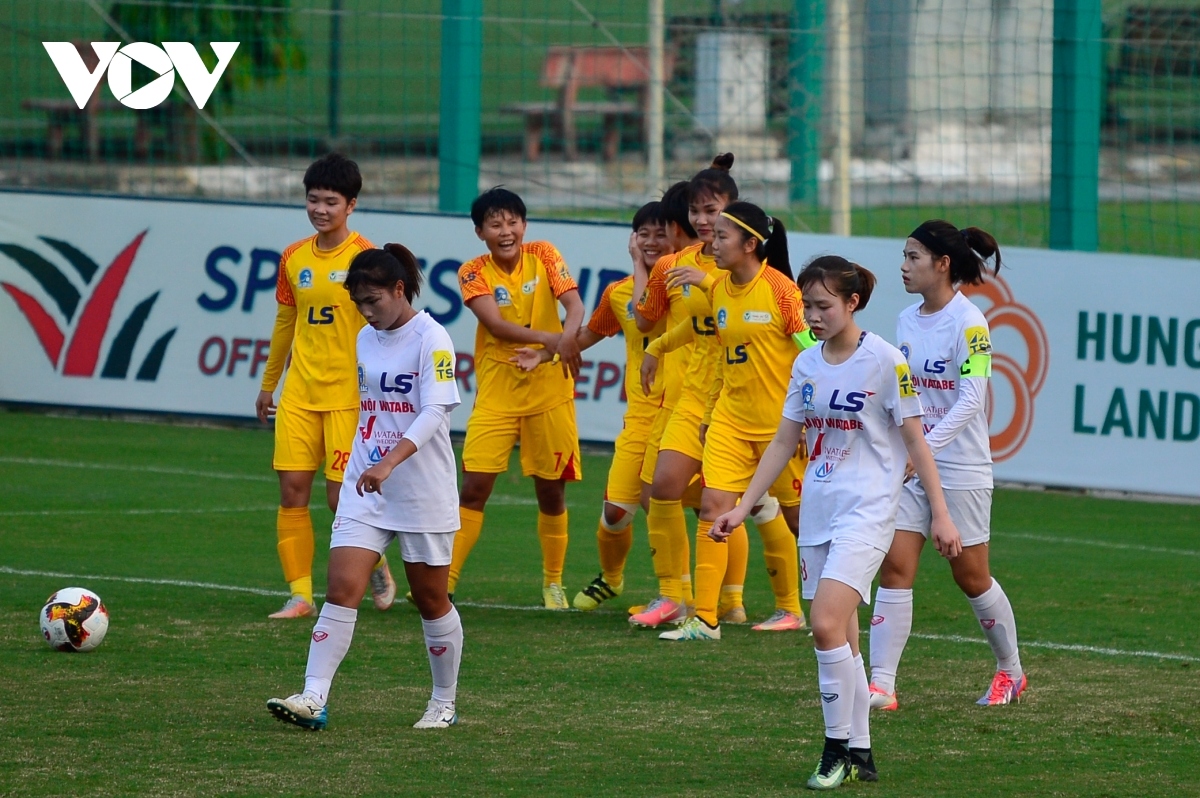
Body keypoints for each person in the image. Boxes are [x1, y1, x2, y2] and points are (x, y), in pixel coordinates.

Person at [710, 256, 962, 789]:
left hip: (869, 513)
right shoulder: (806, 365)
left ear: (852, 303)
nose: (812, 316)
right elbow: (784, 442)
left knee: (824, 624)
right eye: (806, 305)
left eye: (823, 305)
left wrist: (940, 514)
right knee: (843, 637)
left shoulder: (885, 361)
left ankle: (834, 749)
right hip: (820, 508)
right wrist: (739, 504)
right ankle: (863, 751)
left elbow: (916, 439)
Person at [267, 244, 464, 731]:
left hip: (420, 488)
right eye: (359, 303)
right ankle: (313, 698)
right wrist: (370, 464)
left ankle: (443, 701)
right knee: (341, 588)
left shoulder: (433, 338)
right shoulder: (365, 337)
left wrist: (391, 462)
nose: (366, 311)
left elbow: (434, 412)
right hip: (367, 481)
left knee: (430, 599)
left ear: (400, 290)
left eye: (373, 300)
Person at [868, 220, 1025, 710]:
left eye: (913, 256)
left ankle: (1011, 672)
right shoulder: (905, 320)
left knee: (971, 576)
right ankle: (882, 686)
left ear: (942, 264)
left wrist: (925, 448)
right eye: (904, 254)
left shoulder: (971, 323)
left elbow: (971, 400)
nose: (903, 266)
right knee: (895, 566)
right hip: (916, 465)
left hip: (960, 468)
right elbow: (903, 396)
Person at [659, 201, 814, 642]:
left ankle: (798, 608)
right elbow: (723, 361)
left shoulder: (782, 291)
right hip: (729, 421)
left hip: (781, 428)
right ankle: (705, 619)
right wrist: (710, 416)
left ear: (750, 244)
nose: (713, 242)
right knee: (713, 510)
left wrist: (808, 418)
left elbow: (811, 353)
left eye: (723, 236)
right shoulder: (720, 290)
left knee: (799, 520)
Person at [512, 202, 673, 610]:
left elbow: (646, 319)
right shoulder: (618, 293)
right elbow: (588, 336)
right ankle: (614, 579)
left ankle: (719, 597)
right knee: (616, 514)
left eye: (660, 233)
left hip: (687, 411)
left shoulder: (685, 286)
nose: (651, 242)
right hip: (641, 416)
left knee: (716, 508)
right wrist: (546, 354)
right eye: (643, 234)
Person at [257, 153, 395, 619]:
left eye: (330, 202)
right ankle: (299, 595)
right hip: (299, 394)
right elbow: (285, 321)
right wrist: (268, 384)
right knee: (292, 491)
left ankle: (374, 561)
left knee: (342, 499)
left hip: (347, 397)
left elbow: (385, 326)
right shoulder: (293, 257)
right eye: (313, 200)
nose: (319, 209)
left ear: (351, 205)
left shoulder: (366, 258)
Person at [448, 188, 585, 609]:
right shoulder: (472, 271)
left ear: (523, 226)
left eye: (512, 222)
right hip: (497, 391)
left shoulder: (544, 254)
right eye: (495, 224)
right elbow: (496, 325)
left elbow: (575, 306)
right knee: (473, 489)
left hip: (549, 390)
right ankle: (444, 582)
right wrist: (555, 339)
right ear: (479, 232)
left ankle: (553, 583)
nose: (505, 231)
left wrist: (556, 347)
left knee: (551, 492)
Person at [630, 160, 751, 628]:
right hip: (691, 392)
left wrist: (711, 283)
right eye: (696, 212)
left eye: (712, 212)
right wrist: (655, 346)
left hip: (738, 398)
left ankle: (754, 600)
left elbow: (765, 318)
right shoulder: (674, 264)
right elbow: (650, 317)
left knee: (753, 508)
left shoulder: (745, 267)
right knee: (662, 489)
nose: (703, 221)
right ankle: (675, 596)